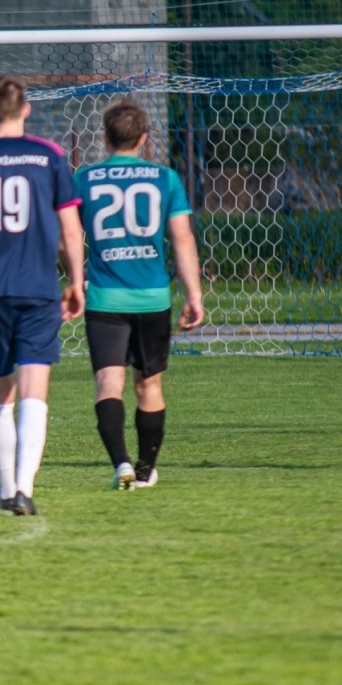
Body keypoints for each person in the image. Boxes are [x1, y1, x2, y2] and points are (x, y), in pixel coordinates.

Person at [0, 76, 85, 515]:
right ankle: (24, 488)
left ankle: (7, 489)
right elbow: (69, 228)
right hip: (39, 288)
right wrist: (77, 280)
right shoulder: (51, 157)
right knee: (33, 392)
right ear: (26, 110)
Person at [75, 100, 205, 490]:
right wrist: (194, 295)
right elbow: (181, 239)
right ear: (145, 139)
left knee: (107, 384)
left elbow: (64, 236)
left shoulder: (84, 178)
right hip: (152, 299)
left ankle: (121, 464)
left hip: (104, 299)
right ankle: (146, 470)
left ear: (105, 137)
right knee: (149, 386)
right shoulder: (164, 179)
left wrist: (71, 276)